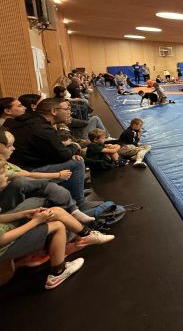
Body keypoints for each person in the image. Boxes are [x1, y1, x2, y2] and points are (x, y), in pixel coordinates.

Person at [0, 160, 114, 290]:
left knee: (56, 211)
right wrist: (35, 221)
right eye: (2, 173)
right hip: (4, 247)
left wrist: (23, 214)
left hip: (6, 230)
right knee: (57, 225)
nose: (7, 175)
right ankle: (58, 273)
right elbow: (2, 239)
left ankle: (86, 234)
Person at [4, 98, 86, 207]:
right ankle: (80, 203)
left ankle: (73, 194)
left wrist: (68, 151)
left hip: (25, 165)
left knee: (72, 157)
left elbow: (56, 151)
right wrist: (75, 146)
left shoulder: (29, 120)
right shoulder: (41, 128)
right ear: (54, 111)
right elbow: (63, 155)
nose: (69, 112)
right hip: (26, 170)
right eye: (66, 109)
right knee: (77, 163)